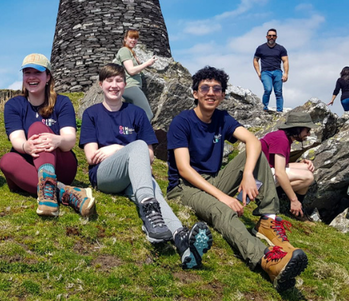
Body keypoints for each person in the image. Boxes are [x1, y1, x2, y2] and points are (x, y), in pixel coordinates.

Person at [167, 66, 308, 291]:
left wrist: (248, 175)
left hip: (213, 180)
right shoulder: (181, 122)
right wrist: (224, 197)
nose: (210, 93)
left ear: (223, 95)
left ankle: (267, 220)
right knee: (222, 210)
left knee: (257, 153)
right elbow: (184, 169)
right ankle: (267, 261)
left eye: (217, 89)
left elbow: (252, 141)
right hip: (184, 188)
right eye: (204, 88)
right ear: (195, 93)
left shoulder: (222, 118)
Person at [80, 63, 213, 269]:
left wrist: (114, 147)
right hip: (105, 175)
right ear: (101, 84)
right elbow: (92, 156)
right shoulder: (92, 113)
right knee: (141, 152)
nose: (114, 85)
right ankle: (150, 211)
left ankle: (182, 241)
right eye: (109, 80)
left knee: (152, 189)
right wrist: (123, 150)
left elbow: (149, 156)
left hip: (132, 176)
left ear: (125, 84)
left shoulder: (137, 113)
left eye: (118, 80)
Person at [0, 53, 95, 217]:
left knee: (38, 127)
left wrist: (57, 140)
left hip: (62, 165)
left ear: (48, 76)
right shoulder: (14, 105)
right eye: (27, 73)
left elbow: (69, 140)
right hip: (28, 165)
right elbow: (17, 139)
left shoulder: (62, 102)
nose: (31, 77)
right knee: (6, 161)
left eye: (37, 72)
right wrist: (25, 146)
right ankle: (66, 193)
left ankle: (49, 184)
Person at [260, 111, 316, 219]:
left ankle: (297, 211)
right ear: (297, 128)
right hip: (260, 178)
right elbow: (279, 172)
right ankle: (275, 197)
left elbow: (275, 164)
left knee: (306, 168)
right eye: (307, 130)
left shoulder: (283, 137)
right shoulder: (281, 140)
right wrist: (293, 199)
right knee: (308, 177)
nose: (308, 134)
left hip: (266, 170)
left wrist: (300, 164)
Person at [114, 29, 156, 120]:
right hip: (130, 87)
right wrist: (147, 63)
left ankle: (131, 133)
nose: (134, 40)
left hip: (131, 87)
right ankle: (140, 134)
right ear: (125, 39)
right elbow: (131, 70)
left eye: (136, 38)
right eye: (131, 37)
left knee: (133, 117)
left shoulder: (131, 52)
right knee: (147, 115)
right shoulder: (124, 50)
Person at [253, 28, 289, 113]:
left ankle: (279, 111)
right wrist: (258, 73)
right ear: (266, 36)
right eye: (270, 35)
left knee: (278, 92)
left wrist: (286, 74)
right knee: (268, 89)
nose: (271, 37)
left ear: (276, 37)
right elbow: (255, 60)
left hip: (277, 71)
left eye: (273, 36)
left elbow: (285, 61)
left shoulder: (281, 48)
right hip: (265, 72)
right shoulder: (261, 48)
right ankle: (264, 108)